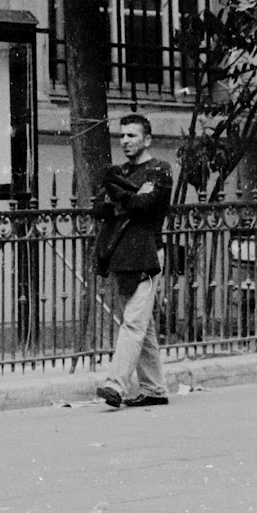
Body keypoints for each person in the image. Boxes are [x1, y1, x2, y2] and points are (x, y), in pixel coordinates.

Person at [94, 114, 175, 409]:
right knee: (142, 324)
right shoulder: (120, 172)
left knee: (133, 322)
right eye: (122, 135)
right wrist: (131, 196)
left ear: (147, 139)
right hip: (123, 255)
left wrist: (122, 198)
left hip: (149, 256)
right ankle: (155, 389)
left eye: (132, 135)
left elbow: (145, 205)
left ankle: (115, 384)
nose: (125, 141)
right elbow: (100, 208)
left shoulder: (160, 170)